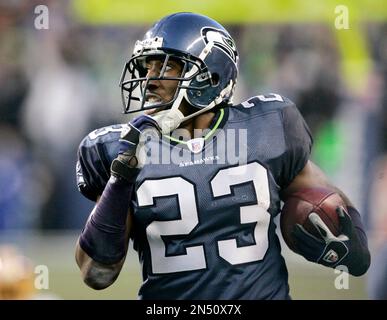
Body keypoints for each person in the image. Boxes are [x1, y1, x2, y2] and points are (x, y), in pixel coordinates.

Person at [74, 12, 370, 299]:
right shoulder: (122, 147)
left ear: (210, 75)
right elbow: (96, 274)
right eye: (147, 68)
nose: (150, 80)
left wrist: (344, 244)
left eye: (165, 67)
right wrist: (120, 178)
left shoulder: (266, 128)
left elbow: (348, 237)